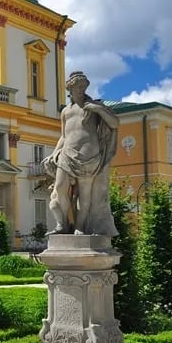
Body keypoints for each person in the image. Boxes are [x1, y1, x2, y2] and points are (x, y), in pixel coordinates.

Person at [42, 71, 119, 237]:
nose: (81, 89)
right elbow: (64, 136)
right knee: (60, 189)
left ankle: (80, 227)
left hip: (89, 156)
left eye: (84, 86)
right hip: (67, 154)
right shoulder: (65, 111)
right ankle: (62, 224)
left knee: (84, 197)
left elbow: (114, 123)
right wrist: (54, 153)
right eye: (78, 86)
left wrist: (99, 110)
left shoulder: (93, 107)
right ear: (70, 87)